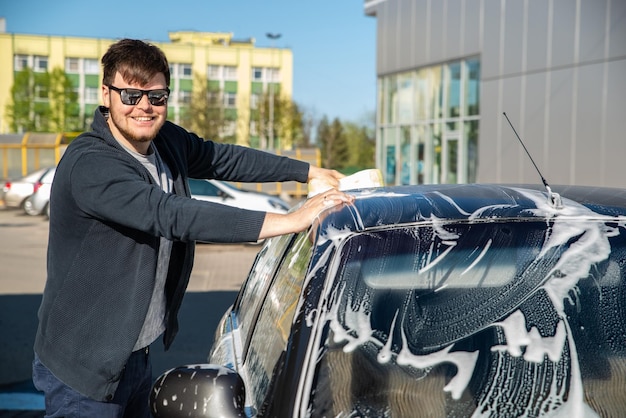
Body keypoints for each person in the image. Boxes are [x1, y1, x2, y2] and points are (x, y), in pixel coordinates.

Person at [32, 38, 354, 417]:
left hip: (132, 355)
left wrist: (306, 172)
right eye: (130, 95)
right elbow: (174, 214)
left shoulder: (165, 141)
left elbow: (223, 158)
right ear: (106, 94)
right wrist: (290, 221)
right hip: (84, 368)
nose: (144, 107)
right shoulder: (91, 164)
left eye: (156, 96)